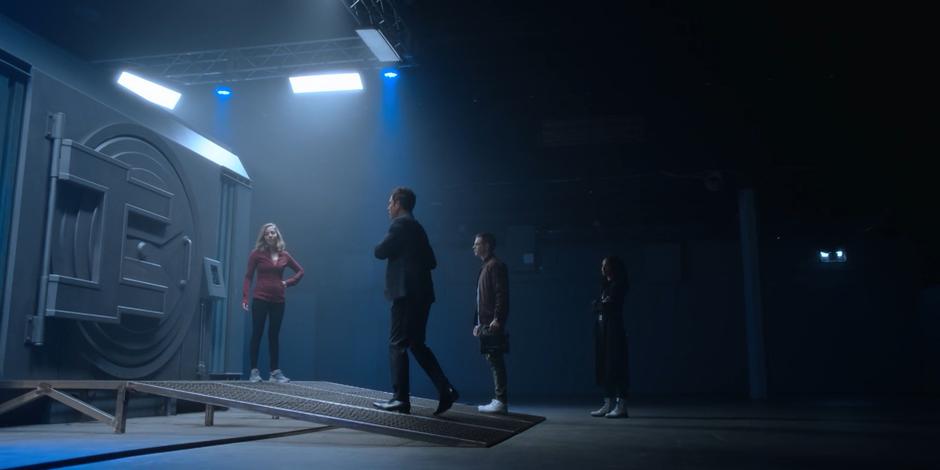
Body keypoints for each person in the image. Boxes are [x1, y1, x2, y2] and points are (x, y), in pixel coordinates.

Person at [372, 187, 459, 415]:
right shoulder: (418, 228)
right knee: (416, 344)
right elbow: (432, 261)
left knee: (397, 343)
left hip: (405, 294)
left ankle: (400, 398)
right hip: (423, 295)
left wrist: (396, 253)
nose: (387, 207)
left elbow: (379, 251)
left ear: (398, 203)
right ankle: (446, 389)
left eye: (390, 202)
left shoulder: (400, 225)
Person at [241, 223, 304, 383]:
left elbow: (300, 271)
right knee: (257, 333)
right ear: (264, 236)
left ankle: (274, 372)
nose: (270, 235)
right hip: (260, 298)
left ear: (277, 236)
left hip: (278, 301)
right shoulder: (256, 254)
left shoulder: (285, 255)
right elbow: (248, 276)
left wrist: (287, 282)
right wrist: (245, 297)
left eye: (273, 233)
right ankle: (254, 372)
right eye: (268, 233)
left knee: (273, 335)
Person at [471, 232, 510, 414]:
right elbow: (480, 299)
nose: (474, 247)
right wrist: (477, 323)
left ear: (486, 245)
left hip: (492, 323)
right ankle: (498, 399)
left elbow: (501, 294)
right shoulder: (486, 267)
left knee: (496, 361)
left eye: (477, 244)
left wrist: (497, 319)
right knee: (493, 360)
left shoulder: (495, 266)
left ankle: (501, 401)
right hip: (485, 323)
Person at [590, 255, 629, 418]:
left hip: (613, 330)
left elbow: (608, 305)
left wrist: (601, 305)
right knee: (604, 365)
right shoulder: (605, 286)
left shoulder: (618, 285)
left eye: (605, 265)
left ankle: (621, 405)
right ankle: (607, 403)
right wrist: (600, 305)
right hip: (602, 329)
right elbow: (599, 305)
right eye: (602, 266)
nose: (602, 269)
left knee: (616, 364)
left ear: (613, 267)